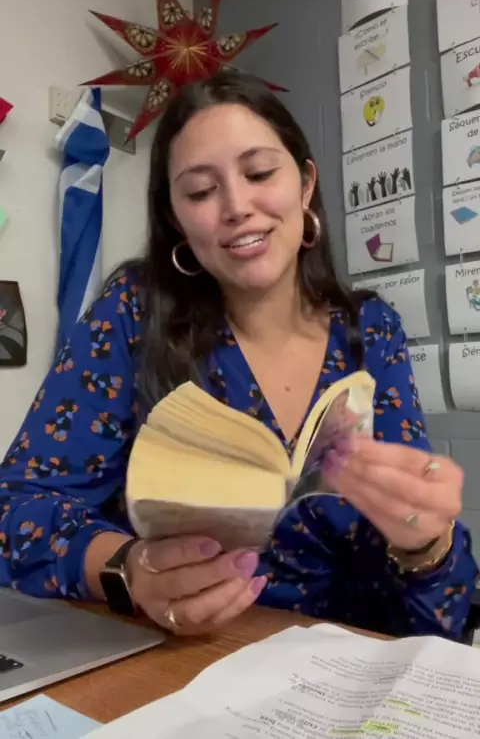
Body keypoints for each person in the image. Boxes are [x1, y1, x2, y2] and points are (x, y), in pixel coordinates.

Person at [0, 73, 476, 640]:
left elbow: (434, 610)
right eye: (201, 191)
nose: (236, 207)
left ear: (305, 184)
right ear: (176, 218)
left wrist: (426, 542)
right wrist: (128, 568)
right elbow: (16, 510)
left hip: (346, 660)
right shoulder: (133, 313)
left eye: (260, 174)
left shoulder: (370, 331)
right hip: (183, 659)